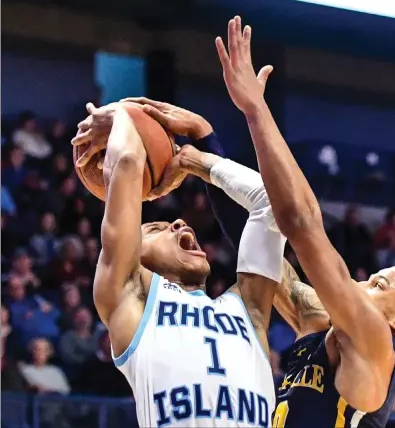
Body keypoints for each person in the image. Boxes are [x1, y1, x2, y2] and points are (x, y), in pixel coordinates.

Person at [215, 16, 395, 427]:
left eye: (378, 285)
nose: (360, 281)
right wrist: (201, 153)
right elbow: (265, 256)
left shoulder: (379, 349)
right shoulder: (318, 322)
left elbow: (302, 224)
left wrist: (255, 110)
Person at [72, 103, 290, 427]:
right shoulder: (128, 299)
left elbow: (270, 204)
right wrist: (121, 116)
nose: (177, 223)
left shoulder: (248, 310)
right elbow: (129, 161)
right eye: (156, 229)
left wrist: (203, 143)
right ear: (134, 254)